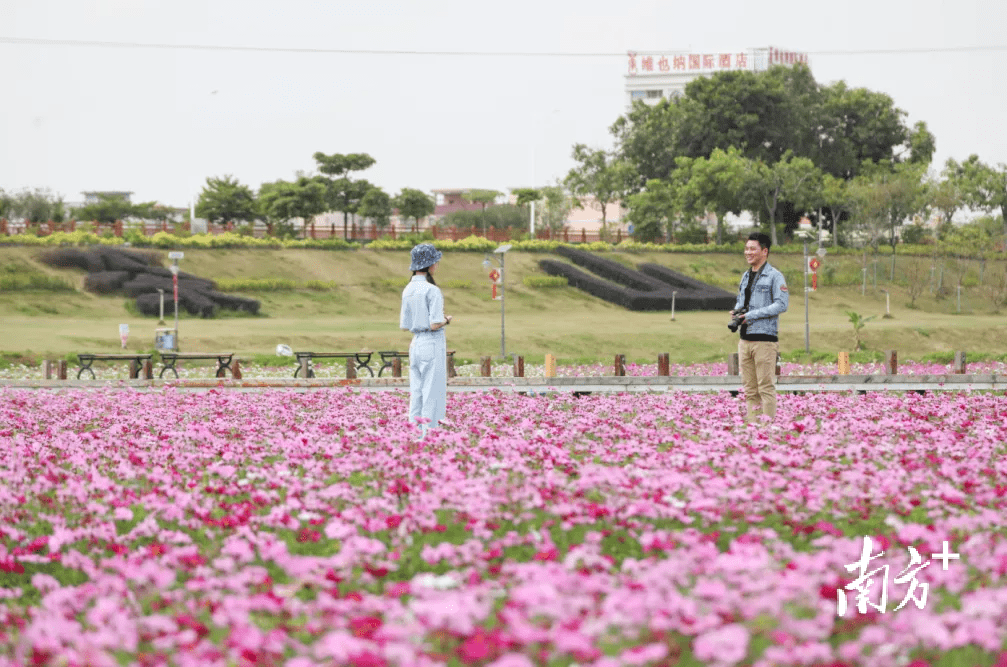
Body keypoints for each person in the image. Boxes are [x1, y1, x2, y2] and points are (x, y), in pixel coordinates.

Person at [731, 232, 788, 422]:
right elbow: (742, 301)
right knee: (749, 390)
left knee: (765, 388)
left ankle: (768, 429)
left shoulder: (774, 276)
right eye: (746, 248)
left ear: (765, 251)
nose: (748, 252)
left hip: (764, 340)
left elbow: (782, 304)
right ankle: (754, 429)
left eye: (752, 248)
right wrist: (737, 313)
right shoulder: (745, 276)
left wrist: (751, 315)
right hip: (745, 339)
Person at [400, 243, 452, 438]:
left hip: (415, 343)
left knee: (417, 393)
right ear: (430, 264)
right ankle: (429, 437)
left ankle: (413, 434)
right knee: (432, 393)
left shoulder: (407, 290)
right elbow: (434, 323)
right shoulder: (432, 290)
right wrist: (447, 320)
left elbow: (405, 324)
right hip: (431, 342)